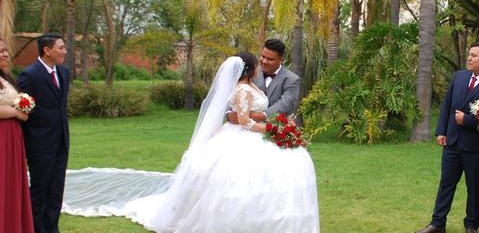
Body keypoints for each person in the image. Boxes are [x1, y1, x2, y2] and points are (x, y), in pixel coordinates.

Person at [62, 53, 319, 233]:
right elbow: (242, 119)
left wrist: (265, 123)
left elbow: (256, 111)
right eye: (257, 62)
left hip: (249, 133)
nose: (260, 65)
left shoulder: (251, 85)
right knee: (236, 178)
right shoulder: (241, 89)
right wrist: (268, 127)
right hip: (243, 135)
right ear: (249, 69)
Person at [416, 41, 479, 233]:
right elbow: (447, 105)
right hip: (453, 142)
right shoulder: (459, 77)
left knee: (474, 187)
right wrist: (442, 131)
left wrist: (466, 120)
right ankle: (437, 223)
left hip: (477, 146)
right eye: (469, 54)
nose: (469, 58)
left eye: (474, 55)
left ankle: (471, 225)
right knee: (446, 184)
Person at [18, 33, 70, 233]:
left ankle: (52, 228)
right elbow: (23, 111)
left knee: (56, 190)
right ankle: (36, 229)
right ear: (47, 50)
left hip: (61, 141)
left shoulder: (64, 73)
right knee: (40, 190)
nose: (65, 51)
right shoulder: (29, 75)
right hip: (39, 144)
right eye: (61, 47)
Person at [0, 38, 35, 233]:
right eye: (0, 51)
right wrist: (15, 112)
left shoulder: (6, 78)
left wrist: (24, 105)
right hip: (1, 137)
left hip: (13, 137)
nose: (5, 54)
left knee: (11, 184)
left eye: (6, 50)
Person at [228, 38, 300, 123]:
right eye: (263, 56)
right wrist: (229, 113)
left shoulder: (292, 80)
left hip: (275, 129)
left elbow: (284, 104)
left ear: (281, 60)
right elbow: (236, 93)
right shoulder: (251, 72)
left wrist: (260, 116)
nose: (264, 61)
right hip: (243, 129)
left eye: (270, 59)